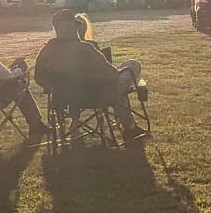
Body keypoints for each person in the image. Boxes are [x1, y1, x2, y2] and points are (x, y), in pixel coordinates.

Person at [33, 10, 148, 143]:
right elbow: (111, 74)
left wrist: (57, 86)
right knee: (132, 65)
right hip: (98, 95)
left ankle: (129, 124)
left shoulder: (46, 51)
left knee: (119, 86)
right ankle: (130, 128)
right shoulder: (86, 49)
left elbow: (39, 78)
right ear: (74, 27)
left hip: (64, 98)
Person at [73, 12, 146, 101]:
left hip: (80, 89)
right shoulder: (90, 45)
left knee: (127, 67)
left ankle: (121, 98)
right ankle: (122, 101)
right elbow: (102, 68)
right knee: (134, 64)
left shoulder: (62, 50)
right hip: (100, 88)